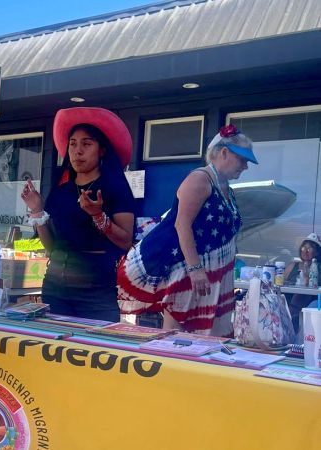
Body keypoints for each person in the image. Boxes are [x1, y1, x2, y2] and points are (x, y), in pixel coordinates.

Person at [118, 124, 257, 336]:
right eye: (242, 160)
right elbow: (182, 224)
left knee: (208, 333)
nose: (245, 166)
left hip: (215, 273)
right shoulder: (200, 179)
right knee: (179, 330)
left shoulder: (225, 186)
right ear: (224, 152)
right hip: (190, 269)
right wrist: (195, 269)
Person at [20, 107, 135, 321]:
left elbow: (125, 241)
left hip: (96, 290)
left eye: (87, 144)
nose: (77, 151)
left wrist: (99, 216)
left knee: (96, 350)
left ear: (101, 150)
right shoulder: (61, 191)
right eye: (72, 144)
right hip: (54, 287)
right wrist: (37, 211)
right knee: (54, 350)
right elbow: (52, 247)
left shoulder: (115, 188)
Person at [283, 232, 321, 332]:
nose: (305, 250)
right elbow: (281, 282)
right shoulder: (293, 265)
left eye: (310, 247)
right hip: (287, 302)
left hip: (309, 306)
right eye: (304, 247)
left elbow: (310, 286)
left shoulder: (318, 268)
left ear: (317, 252)